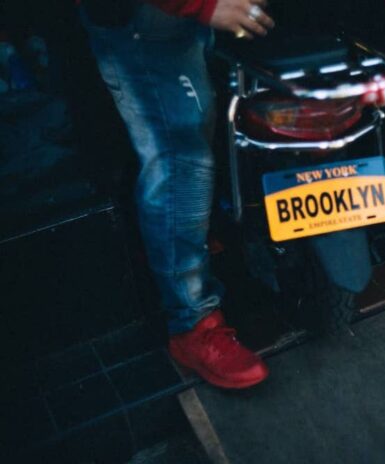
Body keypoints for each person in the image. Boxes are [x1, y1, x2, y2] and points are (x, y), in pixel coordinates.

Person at [80, 0, 275, 389]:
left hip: (176, 20)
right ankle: (193, 326)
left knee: (193, 141)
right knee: (180, 164)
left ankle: (186, 255)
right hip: (148, 21)